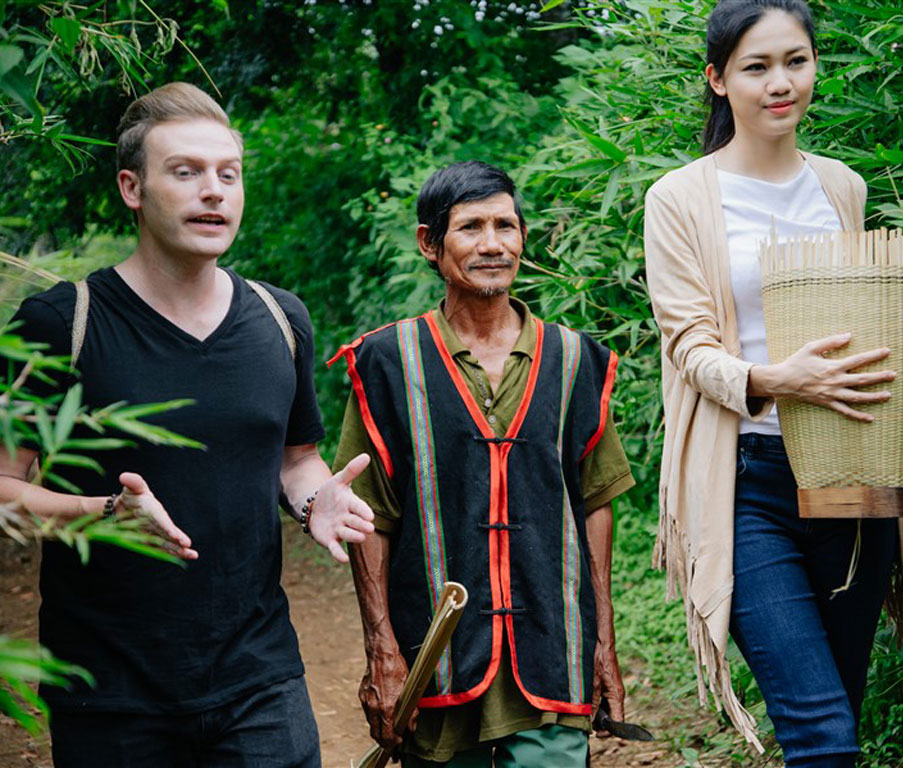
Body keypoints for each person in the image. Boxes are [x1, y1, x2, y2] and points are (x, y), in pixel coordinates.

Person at [643, 1, 903, 765]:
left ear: (814, 66)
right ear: (717, 80)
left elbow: (871, 325)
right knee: (822, 734)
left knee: (837, 713)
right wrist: (780, 379)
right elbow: (690, 348)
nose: (781, 83)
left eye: (795, 61)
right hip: (747, 483)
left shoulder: (842, 187)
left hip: (853, 476)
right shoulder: (679, 198)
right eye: (757, 67)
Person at [0, 82, 375, 766]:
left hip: (260, 680)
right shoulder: (61, 325)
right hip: (111, 694)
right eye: (186, 172)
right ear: (132, 188)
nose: (213, 191)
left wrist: (318, 498)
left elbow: (296, 458)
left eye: (227, 175)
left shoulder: (279, 319)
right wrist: (100, 514)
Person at [330, 160, 635, 767]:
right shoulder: (389, 363)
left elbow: (595, 505)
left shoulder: (576, 361)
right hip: (437, 663)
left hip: (551, 657)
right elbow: (371, 519)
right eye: (471, 228)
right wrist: (383, 653)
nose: (493, 245)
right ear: (430, 243)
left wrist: (603, 642)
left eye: (506, 226)